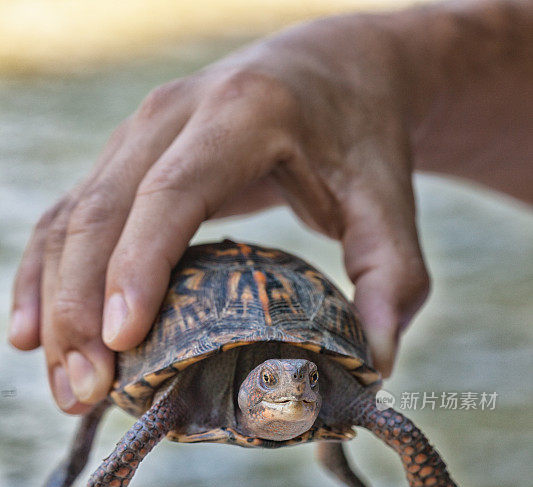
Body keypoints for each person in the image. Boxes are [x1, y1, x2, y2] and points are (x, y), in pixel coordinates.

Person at [8, 0, 532, 415]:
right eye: (283, 379)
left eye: (304, 379)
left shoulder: (311, 387)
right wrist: (378, 60)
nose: (300, 386)